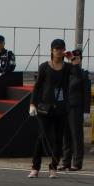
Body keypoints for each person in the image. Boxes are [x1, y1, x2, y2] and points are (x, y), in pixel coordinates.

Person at [28, 39, 70, 178]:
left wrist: (74, 60)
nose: (59, 51)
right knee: (42, 137)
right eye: (56, 48)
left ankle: (53, 167)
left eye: (61, 48)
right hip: (45, 108)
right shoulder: (44, 67)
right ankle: (35, 167)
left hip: (61, 108)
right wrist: (32, 104)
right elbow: (37, 86)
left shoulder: (68, 68)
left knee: (58, 139)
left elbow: (80, 78)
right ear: (52, 50)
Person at [60, 49, 89, 172]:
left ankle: (77, 163)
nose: (73, 59)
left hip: (76, 108)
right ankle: (66, 162)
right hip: (65, 107)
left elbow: (86, 94)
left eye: (76, 58)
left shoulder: (82, 73)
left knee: (76, 136)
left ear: (79, 59)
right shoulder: (66, 71)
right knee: (65, 136)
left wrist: (86, 111)